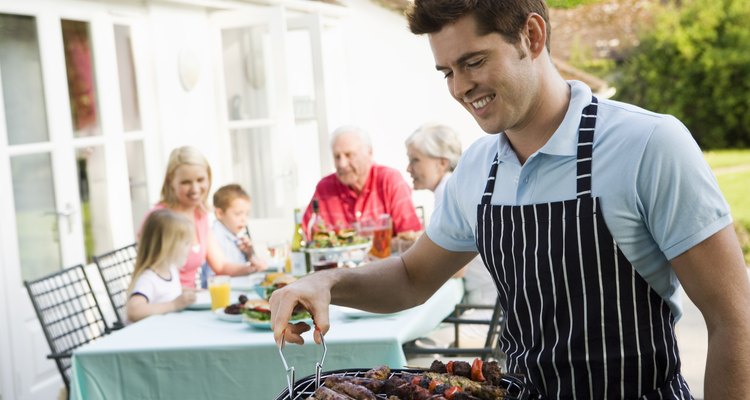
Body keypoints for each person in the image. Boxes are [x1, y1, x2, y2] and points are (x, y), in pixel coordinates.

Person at [270, 1, 750, 399]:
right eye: (447, 72)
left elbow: (734, 319)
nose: (460, 88)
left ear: (533, 36)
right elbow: (411, 278)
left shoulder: (649, 144)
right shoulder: (477, 170)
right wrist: (328, 283)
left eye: (474, 62)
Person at [144, 146, 267, 288]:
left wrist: (252, 268)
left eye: (200, 179)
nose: (195, 189)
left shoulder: (199, 214)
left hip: (190, 300)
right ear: (171, 181)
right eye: (186, 182)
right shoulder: (160, 219)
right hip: (169, 303)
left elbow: (220, 266)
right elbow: (151, 279)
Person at [405, 122, 495, 305]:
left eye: (415, 160)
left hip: (480, 313)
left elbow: (454, 270)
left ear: (442, 163)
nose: (408, 168)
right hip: (488, 307)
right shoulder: (455, 185)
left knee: (418, 333)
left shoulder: (446, 190)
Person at [301, 125, 422, 238]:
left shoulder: (390, 180)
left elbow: (411, 237)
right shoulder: (325, 188)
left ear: (369, 153)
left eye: (349, 155)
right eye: (337, 157)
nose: (342, 164)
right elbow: (305, 236)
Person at [126, 209, 196, 323]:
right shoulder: (148, 279)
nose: (190, 247)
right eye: (186, 243)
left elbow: (166, 291)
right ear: (168, 246)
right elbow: (134, 310)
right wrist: (173, 305)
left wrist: (190, 292)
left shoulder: (170, 269)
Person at [201, 183, 268, 287]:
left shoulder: (236, 236)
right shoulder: (214, 236)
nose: (244, 219)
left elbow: (256, 264)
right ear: (220, 214)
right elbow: (215, 276)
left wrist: (249, 255)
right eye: (238, 214)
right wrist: (253, 268)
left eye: (247, 214)